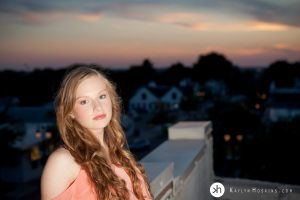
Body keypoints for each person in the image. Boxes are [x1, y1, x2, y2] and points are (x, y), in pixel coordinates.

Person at [41, 66, 153, 200]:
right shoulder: (63, 162)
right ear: (70, 112)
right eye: (84, 101)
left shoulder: (118, 154)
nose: (97, 107)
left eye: (102, 96)